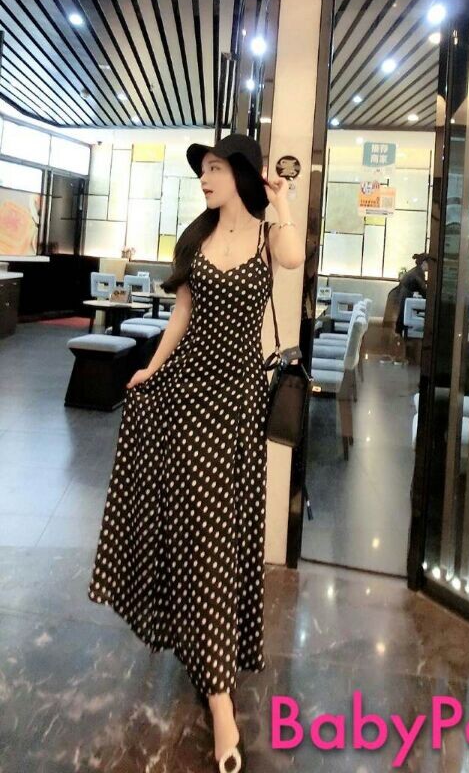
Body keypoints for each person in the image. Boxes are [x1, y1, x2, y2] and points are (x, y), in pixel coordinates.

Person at [87, 133, 305, 773]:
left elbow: (294, 257)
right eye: (202, 171)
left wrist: (280, 198)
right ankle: (210, 676)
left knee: (216, 532)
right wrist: (152, 368)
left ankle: (217, 693)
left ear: (240, 173)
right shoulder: (195, 239)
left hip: (235, 403)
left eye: (213, 169)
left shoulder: (267, 237)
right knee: (193, 527)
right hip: (185, 392)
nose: (204, 180)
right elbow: (181, 314)